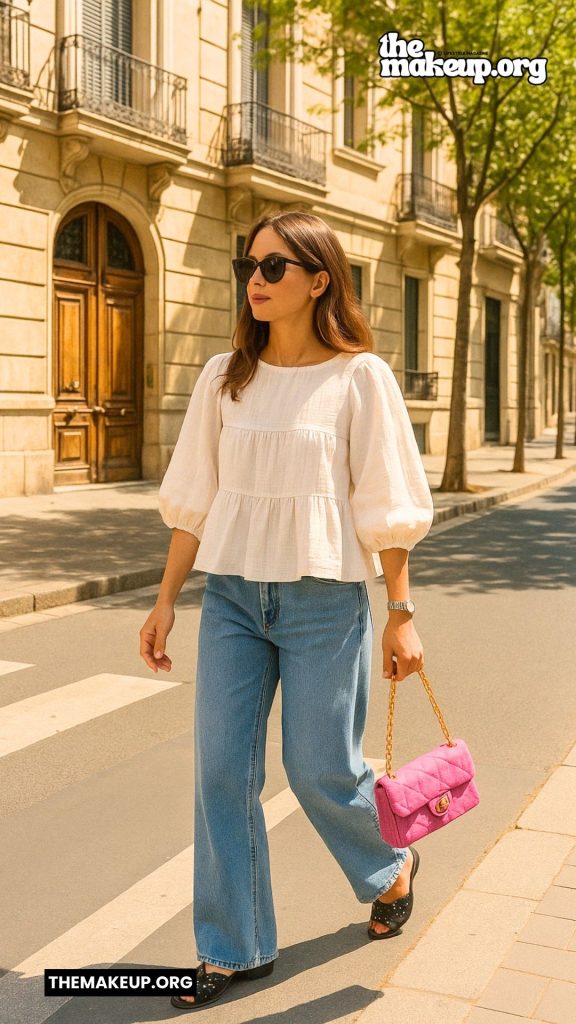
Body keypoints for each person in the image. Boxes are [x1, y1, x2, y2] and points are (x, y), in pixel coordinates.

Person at [139, 211, 434, 1011]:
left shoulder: (358, 379)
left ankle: (392, 863)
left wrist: (399, 612)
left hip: (324, 600)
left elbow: (387, 501)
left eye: (274, 266)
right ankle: (233, 947)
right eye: (250, 266)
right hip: (233, 598)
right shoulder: (223, 377)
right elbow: (194, 501)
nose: (257, 280)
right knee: (222, 774)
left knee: (319, 767)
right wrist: (167, 600)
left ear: (319, 279)